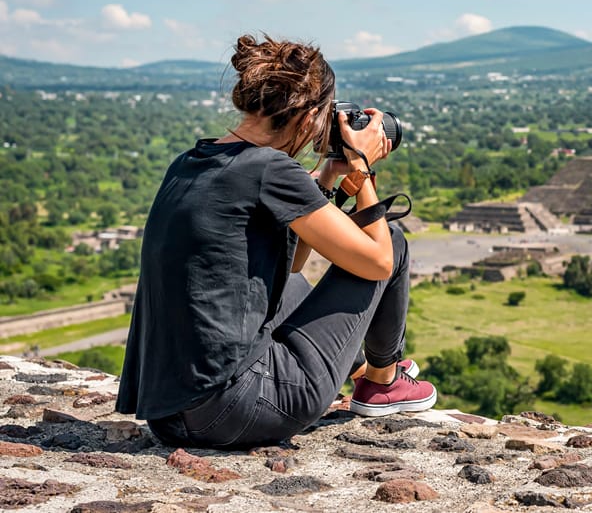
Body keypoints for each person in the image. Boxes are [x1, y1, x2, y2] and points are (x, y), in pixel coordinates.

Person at [115, 34, 436, 450]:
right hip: (238, 408)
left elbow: (295, 262)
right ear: (307, 119)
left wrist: (327, 178)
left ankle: (362, 369)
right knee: (390, 237)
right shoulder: (269, 169)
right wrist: (362, 167)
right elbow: (378, 262)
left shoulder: (193, 161)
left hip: (171, 413)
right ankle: (382, 381)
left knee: (291, 281)